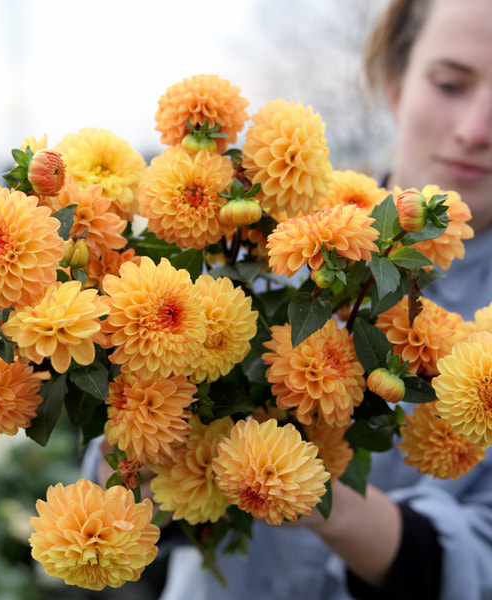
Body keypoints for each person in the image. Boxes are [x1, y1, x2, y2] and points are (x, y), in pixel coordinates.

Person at [86, 0, 492, 598]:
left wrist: (315, 493)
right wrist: (135, 460)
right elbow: (119, 478)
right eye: (451, 84)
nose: (475, 130)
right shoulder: (263, 241)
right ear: (394, 81)